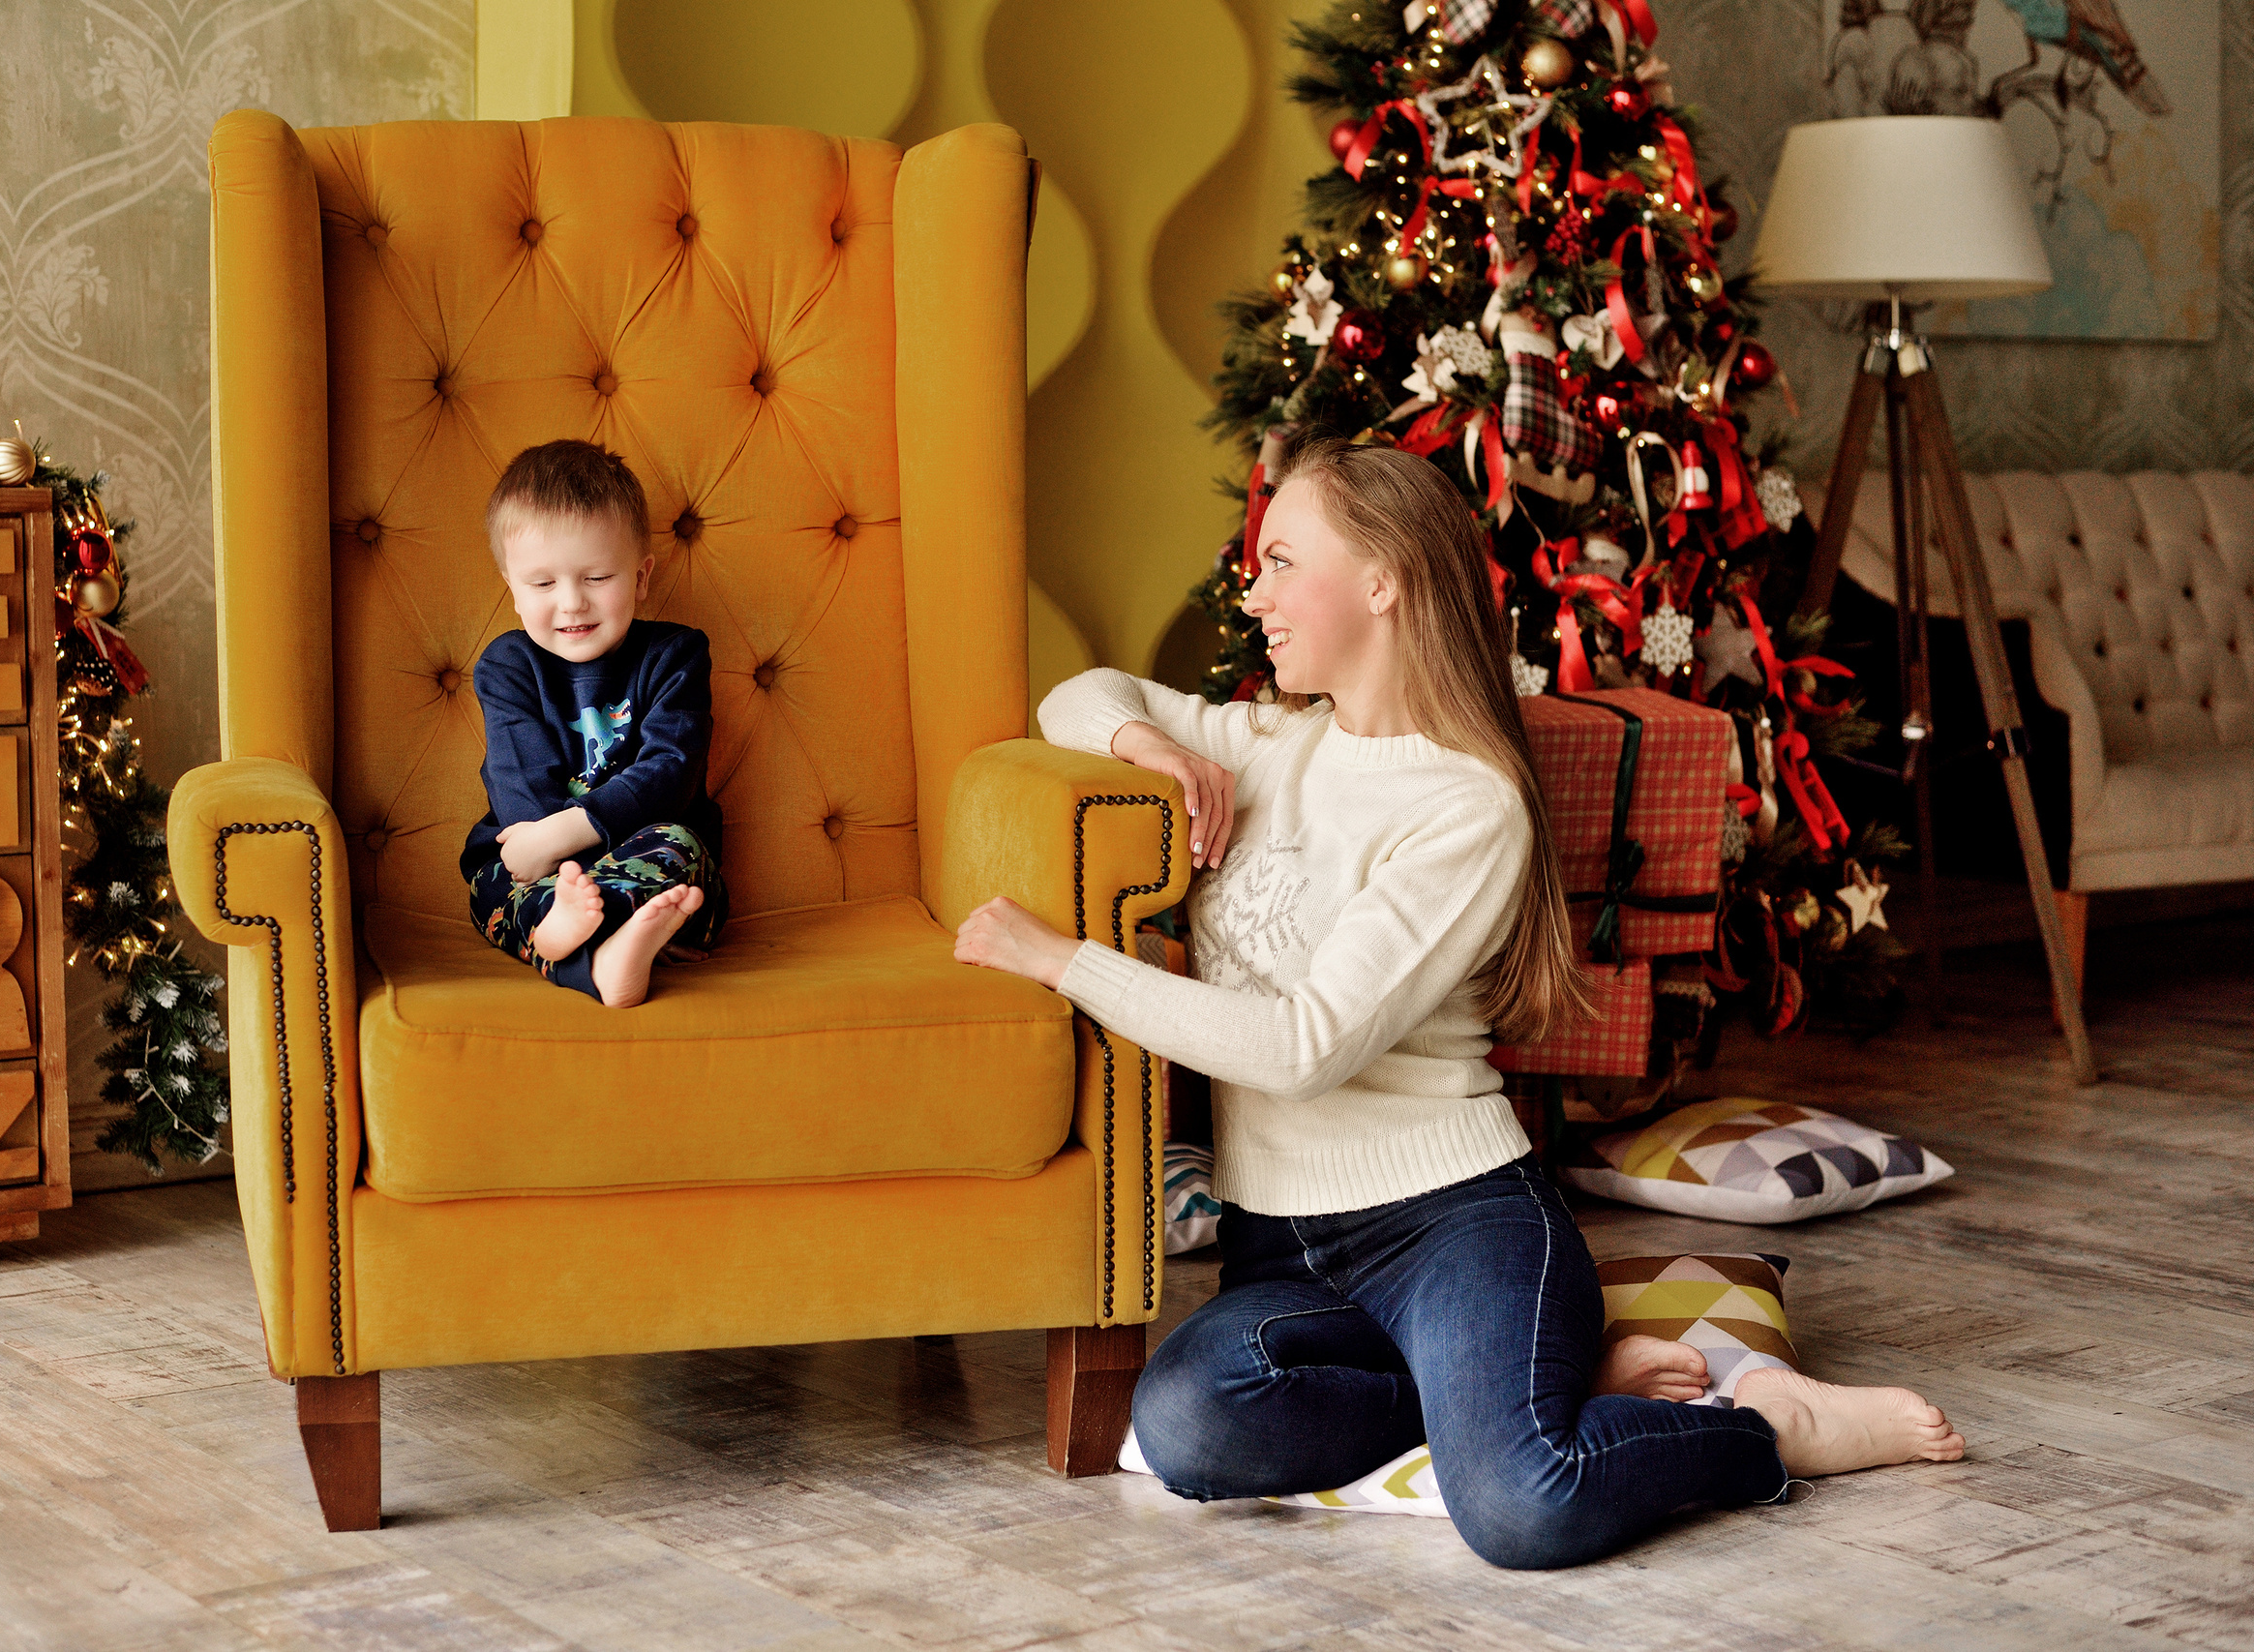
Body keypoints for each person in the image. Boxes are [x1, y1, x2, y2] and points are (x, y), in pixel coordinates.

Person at [951, 433, 1964, 1570]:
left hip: (1451, 1226)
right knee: (1184, 1425)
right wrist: (1153, 744)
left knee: (1526, 1505)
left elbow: (1300, 1047)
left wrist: (1062, 962)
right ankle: (1533, 1383)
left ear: (1382, 579)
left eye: (1283, 561)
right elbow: (1071, 696)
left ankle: (1761, 1429)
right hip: (1279, 1247)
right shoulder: (1265, 745)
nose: (1256, 591)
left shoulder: (1466, 805)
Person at [463, 439, 726, 1006]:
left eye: (597, 577)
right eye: (542, 584)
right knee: (492, 879)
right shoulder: (508, 666)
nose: (572, 603)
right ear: (511, 589)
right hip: (533, 874)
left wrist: (560, 840)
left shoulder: (676, 655)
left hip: (642, 859)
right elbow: (519, 788)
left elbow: (670, 775)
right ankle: (599, 955)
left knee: (677, 846)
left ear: (642, 576)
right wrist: (555, 870)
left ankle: (590, 939)